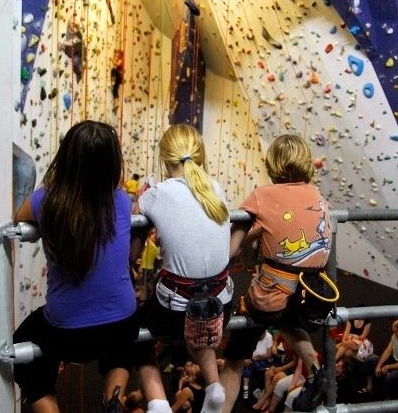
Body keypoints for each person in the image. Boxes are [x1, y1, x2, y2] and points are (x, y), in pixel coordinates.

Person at [13, 120, 139, 413]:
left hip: (66, 333)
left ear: (67, 157)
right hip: (120, 323)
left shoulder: (46, 200)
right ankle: (113, 401)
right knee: (121, 347)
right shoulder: (121, 200)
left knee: (23, 348)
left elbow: (19, 216)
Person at [220, 134, 335, 412]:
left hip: (271, 300)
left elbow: (230, 250)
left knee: (234, 362)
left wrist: (250, 232)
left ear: (273, 163)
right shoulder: (317, 196)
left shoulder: (263, 195)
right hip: (310, 300)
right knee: (288, 321)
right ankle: (314, 369)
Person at [133, 124, 233, 413]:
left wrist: (141, 198)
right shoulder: (216, 188)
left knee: (135, 333)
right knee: (200, 327)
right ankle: (214, 385)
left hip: (177, 312)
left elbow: (133, 252)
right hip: (221, 307)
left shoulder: (156, 193)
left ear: (165, 158)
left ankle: (158, 403)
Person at [241, 329, 273, 400]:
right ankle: (245, 388)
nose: (260, 337)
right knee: (246, 363)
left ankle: (245, 389)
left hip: (263, 361)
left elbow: (269, 354)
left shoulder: (269, 337)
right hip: (251, 358)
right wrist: (248, 357)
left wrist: (257, 357)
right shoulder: (253, 335)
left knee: (248, 365)